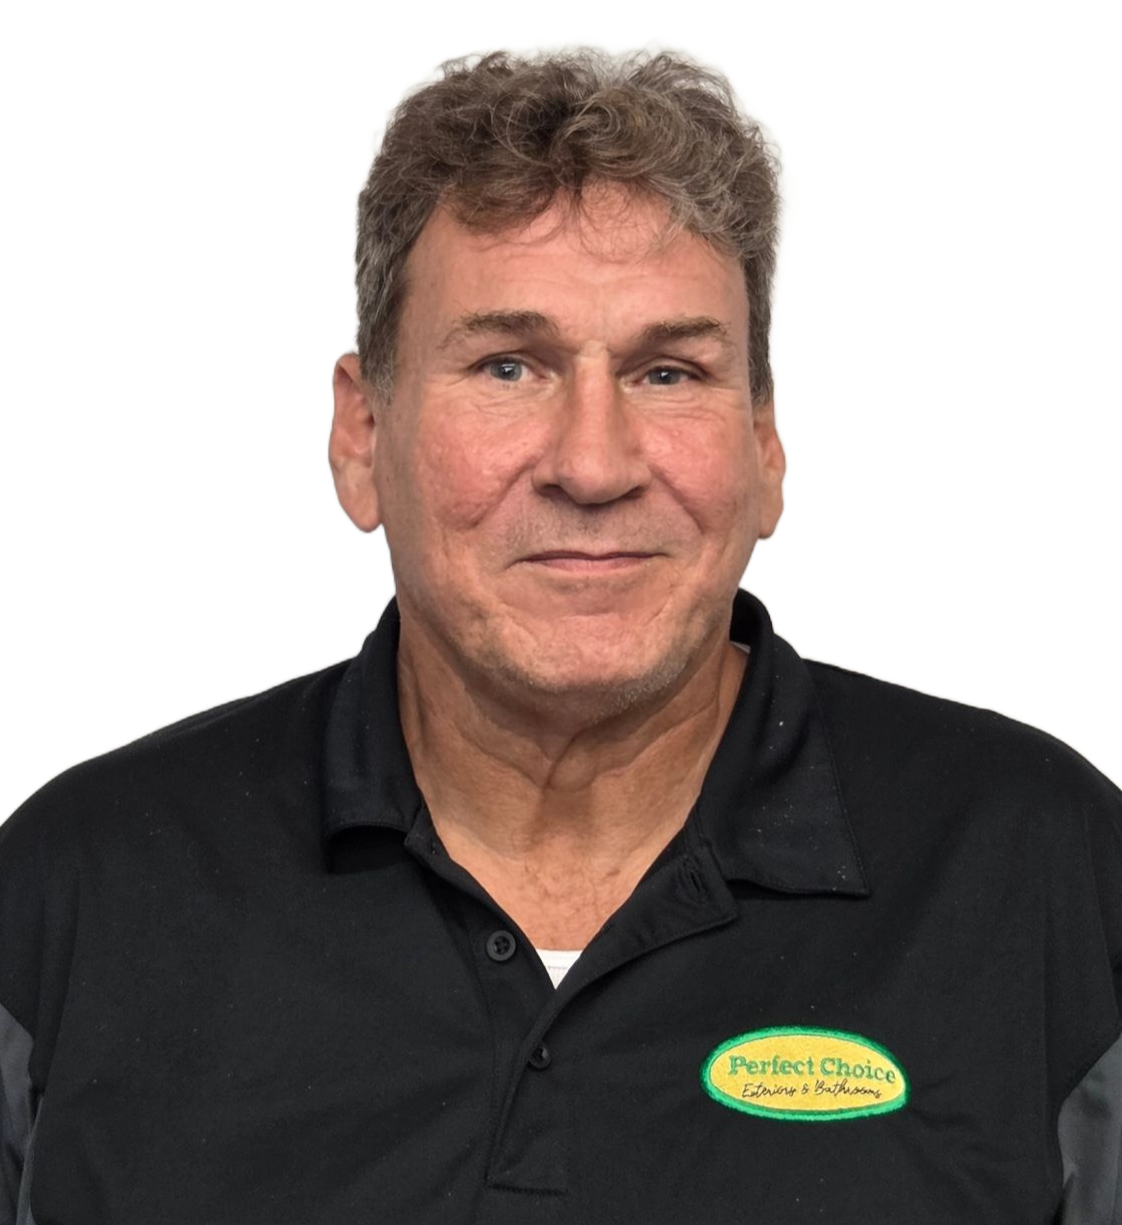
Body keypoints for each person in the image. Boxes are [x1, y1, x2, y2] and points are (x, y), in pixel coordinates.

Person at [1, 36, 1118, 1225]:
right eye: (509, 365)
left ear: (769, 445)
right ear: (360, 431)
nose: (593, 465)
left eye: (669, 374)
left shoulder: (1050, 872)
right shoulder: (75, 887)